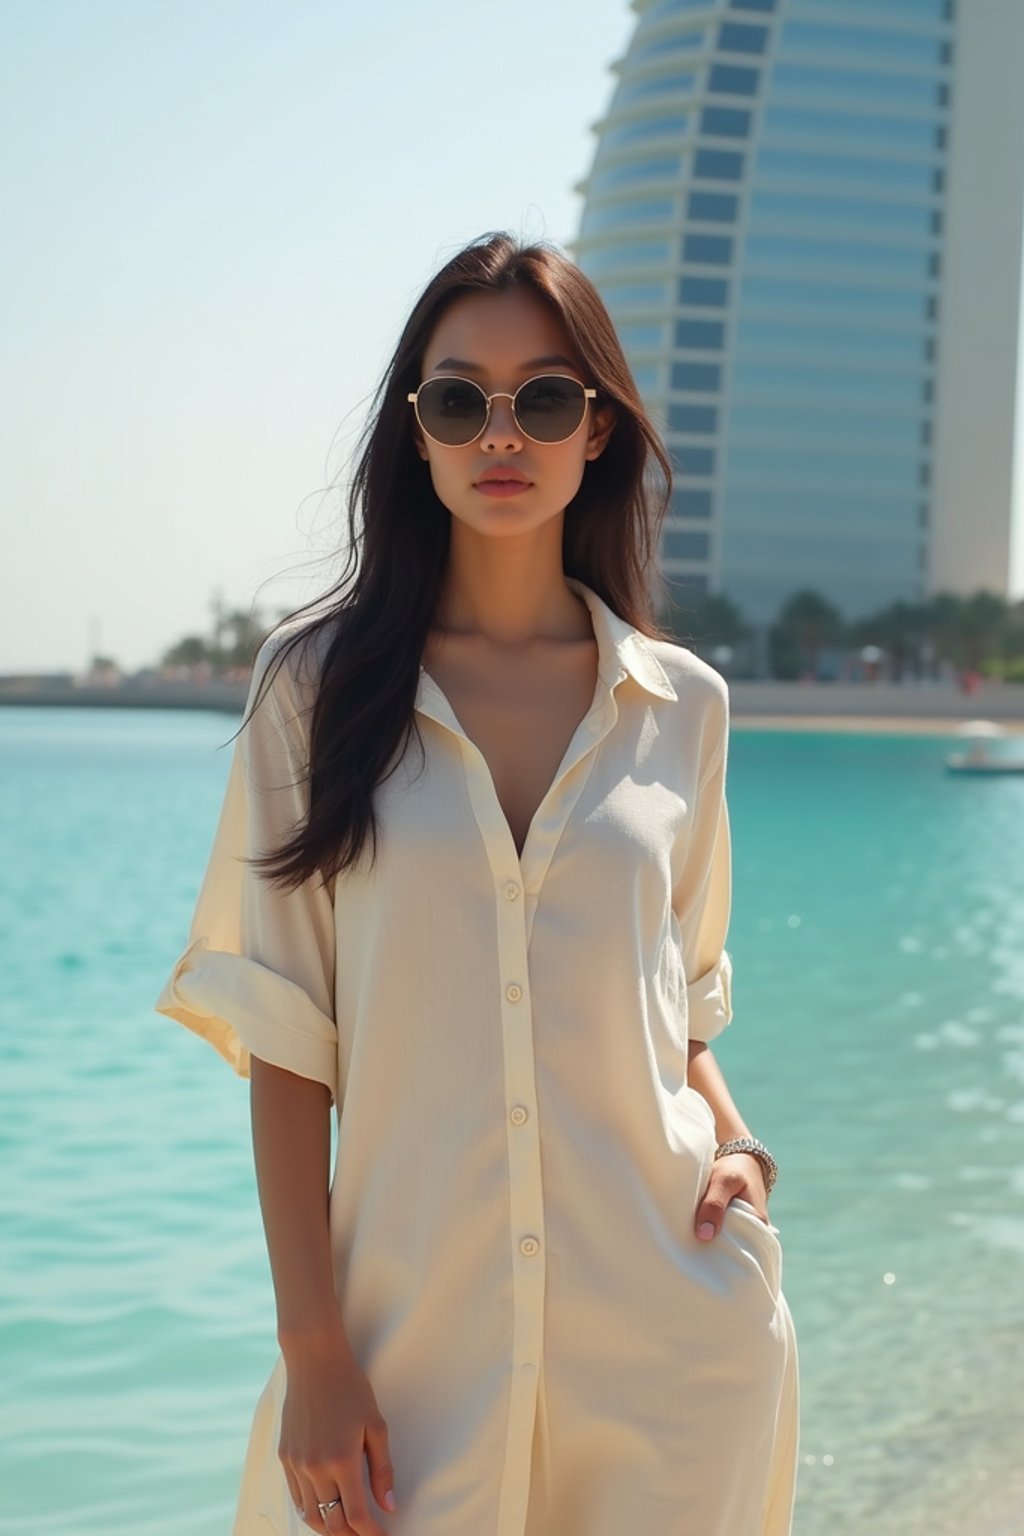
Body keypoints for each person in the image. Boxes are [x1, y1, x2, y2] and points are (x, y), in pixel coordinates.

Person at [156, 231, 799, 1536]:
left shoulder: (684, 708)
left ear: (599, 429)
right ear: (421, 433)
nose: (501, 432)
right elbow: (289, 1044)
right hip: (404, 1359)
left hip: (669, 1342)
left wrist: (736, 1143)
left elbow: (675, 1007)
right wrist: (316, 1353)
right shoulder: (315, 690)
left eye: (544, 398)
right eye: (461, 400)